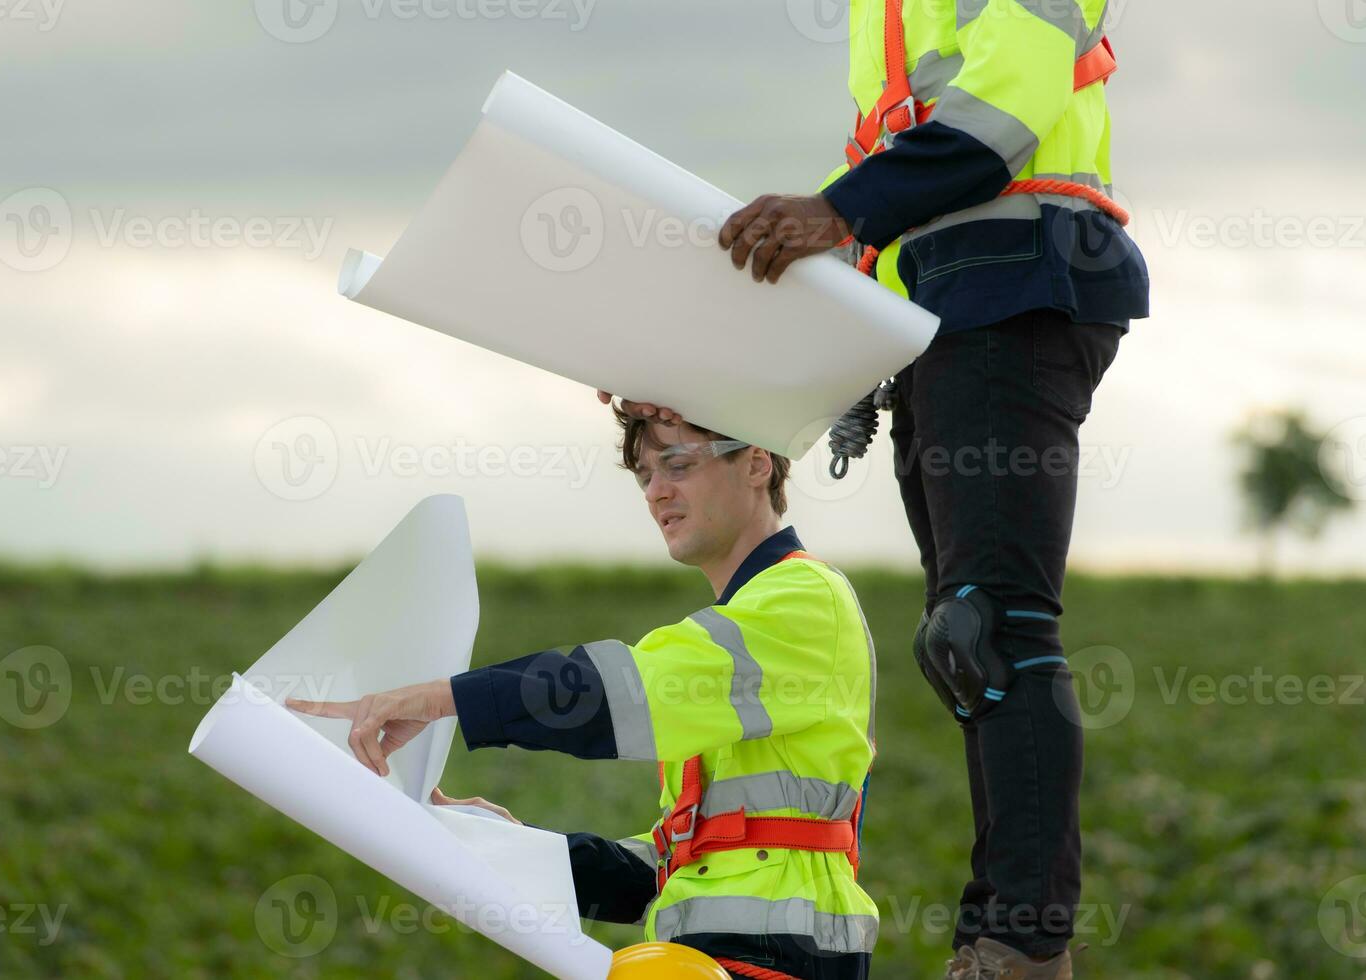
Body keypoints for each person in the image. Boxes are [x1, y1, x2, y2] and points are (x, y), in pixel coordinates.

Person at [615, 2, 1149, 976]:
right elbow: (880, 188)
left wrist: (844, 209)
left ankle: (1023, 947)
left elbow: (1003, 111)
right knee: (964, 641)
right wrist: (696, 372)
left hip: (1021, 281)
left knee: (991, 625)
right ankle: (999, 936)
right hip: (937, 310)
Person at [288, 405, 882, 979]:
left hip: (781, 958)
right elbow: (670, 863)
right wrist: (499, 846)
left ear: (756, 463)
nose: (654, 493)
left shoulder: (804, 599)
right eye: (646, 476)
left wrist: (444, 698)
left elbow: (618, 690)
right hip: (722, 957)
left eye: (677, 465)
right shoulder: (750, 620)